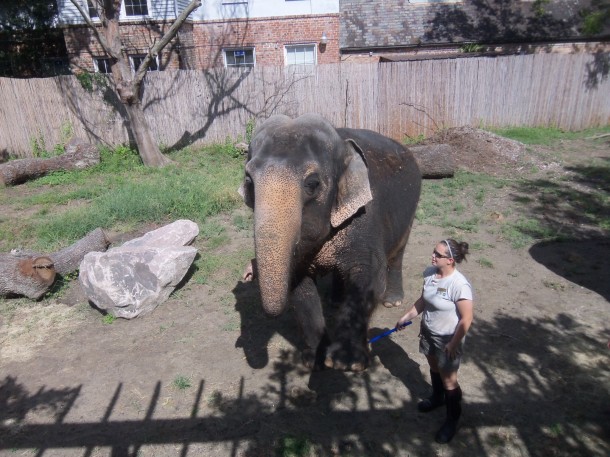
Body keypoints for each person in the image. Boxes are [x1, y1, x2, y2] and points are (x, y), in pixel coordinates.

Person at [396, 238, 474, 444]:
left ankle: (452, 421)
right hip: (428, 331)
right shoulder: (430, 274)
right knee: (433, 366)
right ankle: (437, 398)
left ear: (450, 260)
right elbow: (423, 300)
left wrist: (454, 343)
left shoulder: (459, 285)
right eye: (434, 252)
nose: (433, 256)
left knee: (449, 380)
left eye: (438, 255)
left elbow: (467, 319)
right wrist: (407, 316)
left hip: (448, 338)